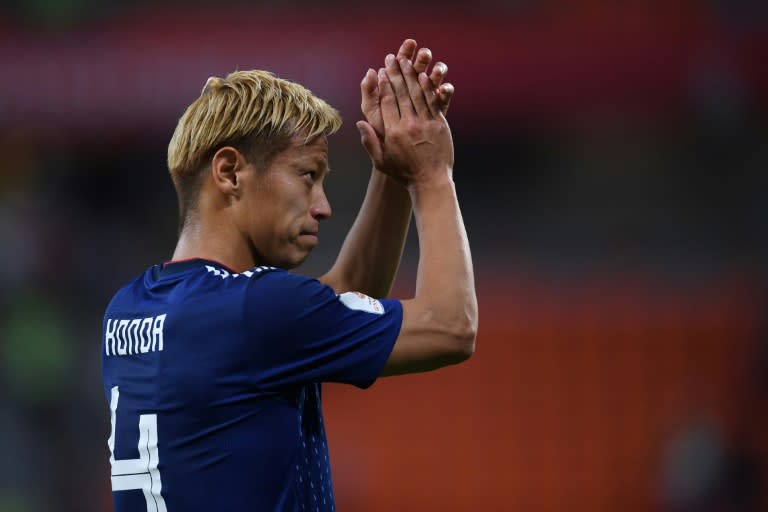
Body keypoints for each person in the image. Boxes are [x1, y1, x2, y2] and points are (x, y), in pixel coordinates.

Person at [101, 39, 477, 511]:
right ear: (230, 172)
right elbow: (451, 326)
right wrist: (432, 175)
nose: (323, 207)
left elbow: (330, 303)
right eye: (307, 175)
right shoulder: (257, 310)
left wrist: (392, 173)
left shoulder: (130, 307)